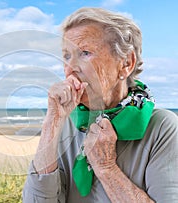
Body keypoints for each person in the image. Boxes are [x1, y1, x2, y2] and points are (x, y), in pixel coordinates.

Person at [22, 7, 178, 202]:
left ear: (126, 63)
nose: (70, 69)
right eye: (67, 56)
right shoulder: (65, 124)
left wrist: (106, 168)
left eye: (85, 53)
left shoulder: (163, 127)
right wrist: (51, 125)